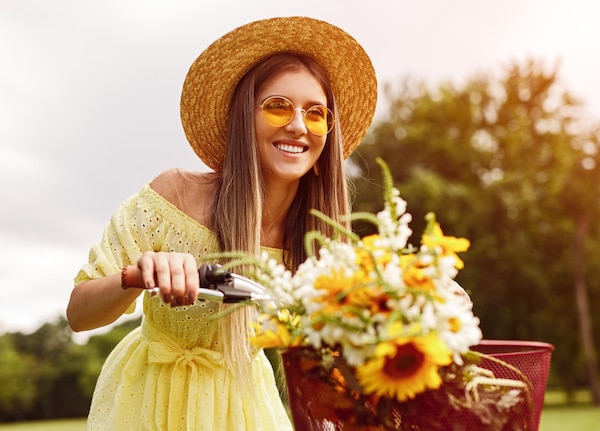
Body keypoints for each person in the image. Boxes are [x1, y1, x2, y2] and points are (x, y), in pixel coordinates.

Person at [66, 16, 377, 430]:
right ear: (243, 117)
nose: (299, 125)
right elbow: (79, 314)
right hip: (146, 404)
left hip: (245, 409)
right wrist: (135, 276)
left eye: (316, 113)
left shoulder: (323, 246)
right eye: (278, 106)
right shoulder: (173, 194)